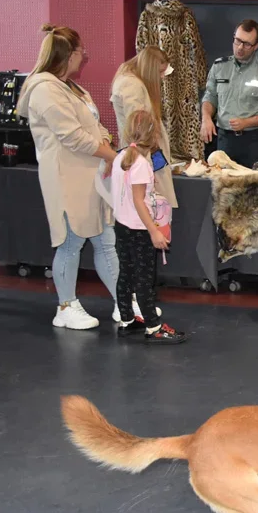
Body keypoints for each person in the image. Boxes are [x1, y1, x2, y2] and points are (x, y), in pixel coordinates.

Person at [17, 24, 123, 330]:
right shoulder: (45, 90)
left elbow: (93, 127)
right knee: (70, 243)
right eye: (81, 51)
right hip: (66, 178)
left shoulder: (73, 89)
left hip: (90, 177)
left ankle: (123, 301)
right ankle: (65, 305)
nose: (84, 56)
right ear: (67, 54)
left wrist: (107, 144)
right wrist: (111, 156)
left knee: (106, 241)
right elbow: (72, 136)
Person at [110, 111, 186, 344]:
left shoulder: (120, 157)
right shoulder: (141, 164)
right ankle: (153, 326)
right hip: (139, 229)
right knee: (144, 278)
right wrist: (153, 230)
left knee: (126, 273)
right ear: (153, 136)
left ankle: (127, 319)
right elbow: (138, 200)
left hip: (121, 226)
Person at [199, 20, 258, 167]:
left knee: (254, 186)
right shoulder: (220, 66)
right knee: (224, 186)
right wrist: (206, 118)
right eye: (237, 41)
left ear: (256, 46)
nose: (240, 47)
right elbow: (210, 96)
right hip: (224, 139)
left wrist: (247, 122)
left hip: (254, 141)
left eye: (246, 44)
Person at [111, 46, 178, 211]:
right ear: (150, 69)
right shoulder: (132, 86)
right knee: (149, 214)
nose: (162, 77)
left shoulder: (133, 83)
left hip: (145, 159)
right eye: (160, 72)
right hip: (142, 160)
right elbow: (138, 129)